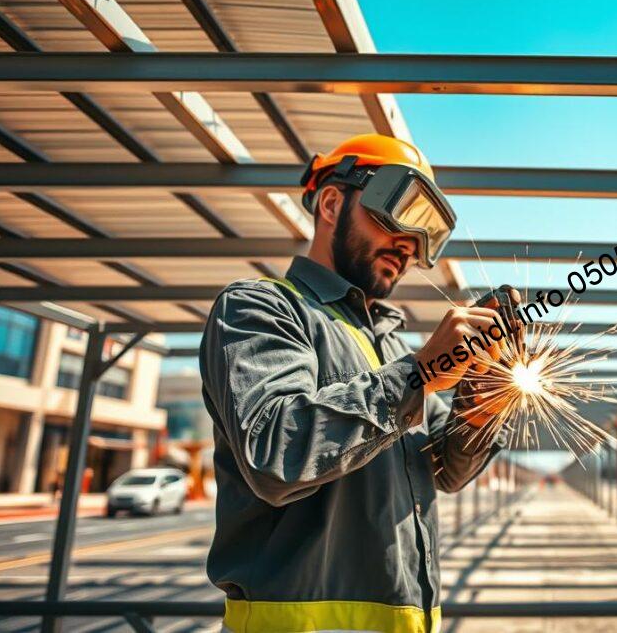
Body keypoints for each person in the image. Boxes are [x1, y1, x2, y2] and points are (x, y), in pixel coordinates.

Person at [200, 134, 517, 633]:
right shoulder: (260, 308)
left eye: (423, 238)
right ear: (332, 202)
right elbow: (276, 456)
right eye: (398, 214)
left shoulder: (390, 345)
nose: (410, 246)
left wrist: (482, 397)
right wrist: (419, 374)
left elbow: (445, 470)